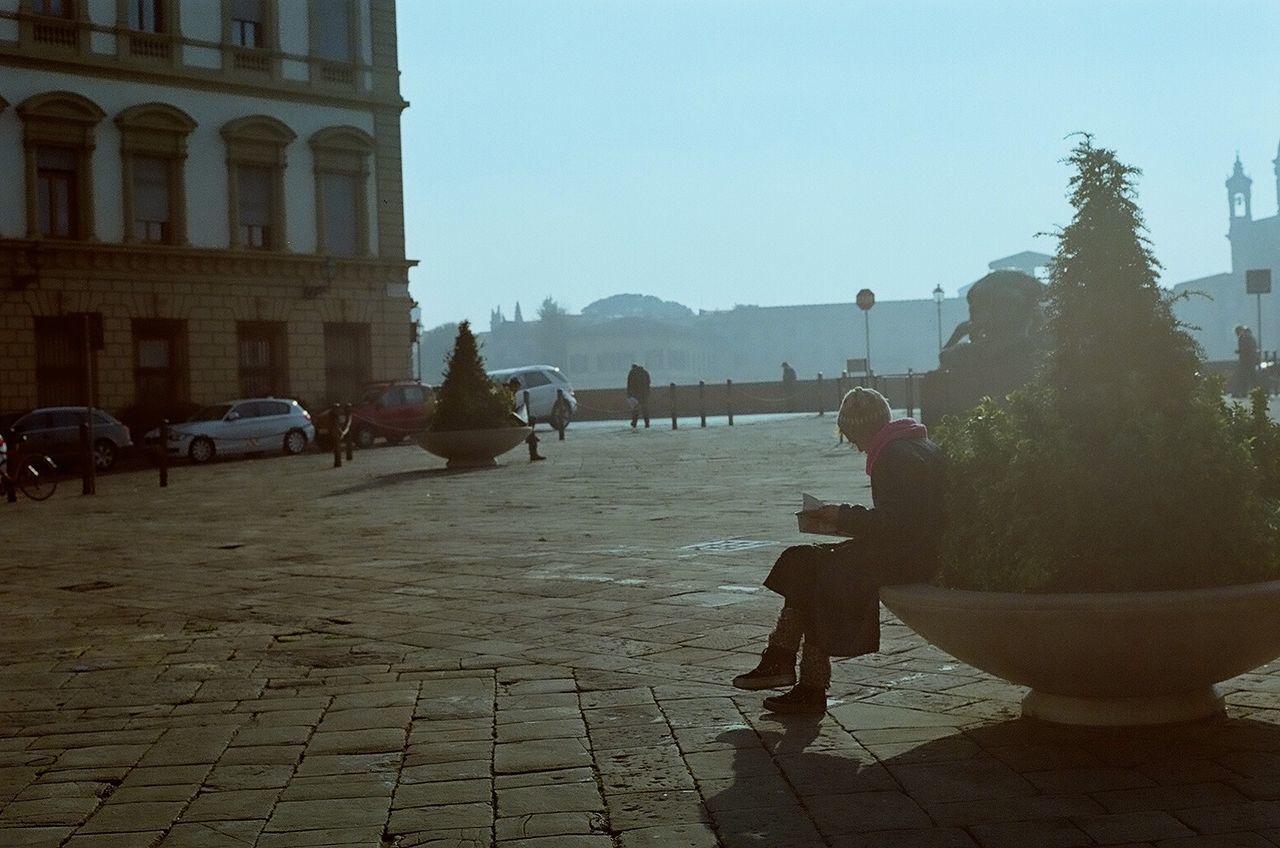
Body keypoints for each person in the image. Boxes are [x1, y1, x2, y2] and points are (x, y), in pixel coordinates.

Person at [732, 387, 946, 714]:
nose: (856, 447)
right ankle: (785, 663)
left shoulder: (893, 456)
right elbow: (905, 515)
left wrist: (841, 516)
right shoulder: (913, 444)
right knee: (803, 562)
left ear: (860, 430)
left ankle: (798, 675)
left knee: (819, 574)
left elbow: (896, 523)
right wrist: (843, 518)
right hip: (913, 548)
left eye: (852, 437)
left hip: (908, 557)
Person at [1235, 325, 1260, 398]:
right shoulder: (1249, 337)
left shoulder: (1244, 338)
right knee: (1251, 377)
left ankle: (1244, 393)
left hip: (1246, 361)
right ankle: (1256, 392)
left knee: (1244, 377)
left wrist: (1240, 352)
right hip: (1251, 360)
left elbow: (1245, 350)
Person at [626, 363, 651, 429]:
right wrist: (647, 392)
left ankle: (634, 423)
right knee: (645, 409)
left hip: (635, 394)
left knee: (635, 409)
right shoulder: (645, 372)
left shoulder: (632, 373)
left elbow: (629, 384)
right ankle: (647, 423)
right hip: (644, 394)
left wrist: (629, 394)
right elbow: (648, 383)